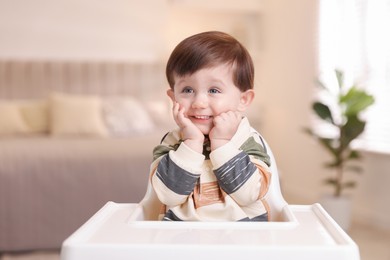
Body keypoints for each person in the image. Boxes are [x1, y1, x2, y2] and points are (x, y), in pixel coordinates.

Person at [150, 31, 272, 221]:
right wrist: (191, 142)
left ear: (243, 100)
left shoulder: (248, 138)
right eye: (187, 90)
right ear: (173, 97)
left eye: (214, 90)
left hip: (242, 236)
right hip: (181, 236)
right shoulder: (172, 141)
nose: (199, 102)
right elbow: (169, 196)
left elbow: (248, 195)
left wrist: (221, 143)